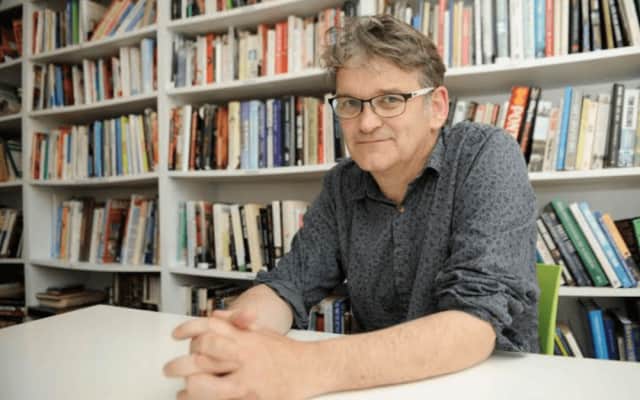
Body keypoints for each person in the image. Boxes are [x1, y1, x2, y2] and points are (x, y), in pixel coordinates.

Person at [164, 14, 539, 400]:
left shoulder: (485, 155)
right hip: (378, 386)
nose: (367, 123)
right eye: (350, 103)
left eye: (390, 100)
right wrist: (234, 337)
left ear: (437, 107)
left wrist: (300, 367)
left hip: (490, 384)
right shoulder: (343, 183)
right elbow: (289, 284)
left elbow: (474, 323)